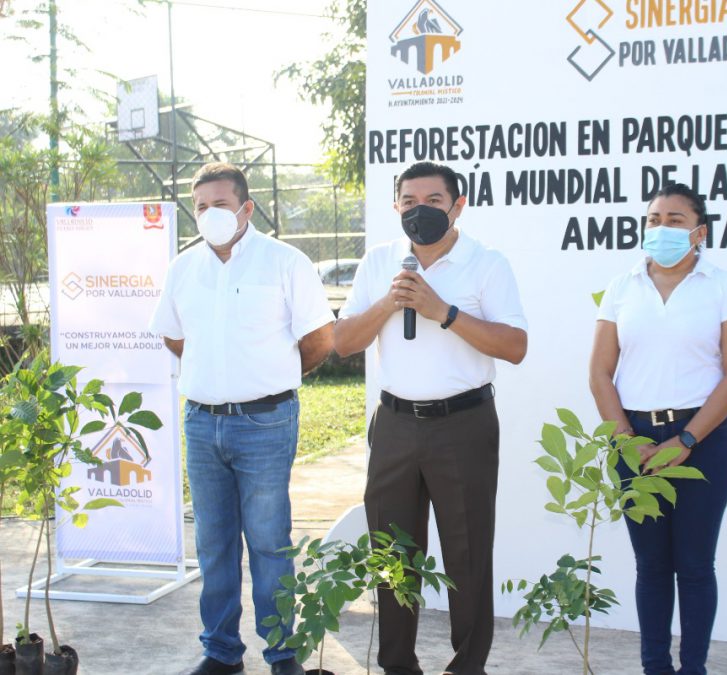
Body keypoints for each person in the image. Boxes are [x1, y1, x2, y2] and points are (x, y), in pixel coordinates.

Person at [333, 161, 527, 675]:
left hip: (463, 424)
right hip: (394, 424)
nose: (420, 211)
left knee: (467, 555)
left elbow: (514, 346)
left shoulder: (486, 264)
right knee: (393, 557)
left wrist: (444, 312)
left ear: (457, 206)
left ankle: (467, 667)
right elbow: (342, 342)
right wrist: (388, 303)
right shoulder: (379, 262)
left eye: (434, 202)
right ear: (396, 206)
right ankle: (398, 665)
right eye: (409, 201)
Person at [149, 162, 335, 675]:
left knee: (270, 543)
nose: (209, 214)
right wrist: (217, 372)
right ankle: (221, 652)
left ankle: (281, 653)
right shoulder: (182, 269)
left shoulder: (285, 262)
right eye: (201, 206)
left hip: (266, 423)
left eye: (220, 205)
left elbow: (320, 339)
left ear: (246, 208)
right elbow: (173, 334)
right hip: (202, 423)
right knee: (213, 544)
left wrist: (267, 375)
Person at [589, 182, 727, 675]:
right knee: (652, 567)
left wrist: (685, 440)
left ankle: (693, 668)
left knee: (695, 567)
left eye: (675, 220)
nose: (661, 228)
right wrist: (627, 440)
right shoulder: (623, 287)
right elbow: (599, 373)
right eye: (654, 219)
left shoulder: (723, 285)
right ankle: (654, 667)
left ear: (699, 232)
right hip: (633, 440)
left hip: (703, 440)